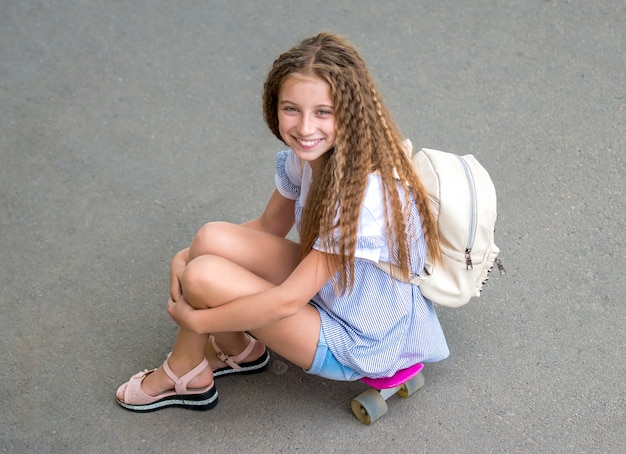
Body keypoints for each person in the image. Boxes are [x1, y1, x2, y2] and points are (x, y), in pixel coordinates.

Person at [116, 32, 449, 412]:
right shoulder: (312, 154)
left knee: (201, 278)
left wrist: (195, 317)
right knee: (209, 240)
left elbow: (287, 299)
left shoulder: (362, 198)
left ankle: (185, 371)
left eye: (323, 112)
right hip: (336, 290)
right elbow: (268, 226)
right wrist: (185, 253)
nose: (305, 128)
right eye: (292, 109)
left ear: (352, 111)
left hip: (358, 337)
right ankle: (237, 350)